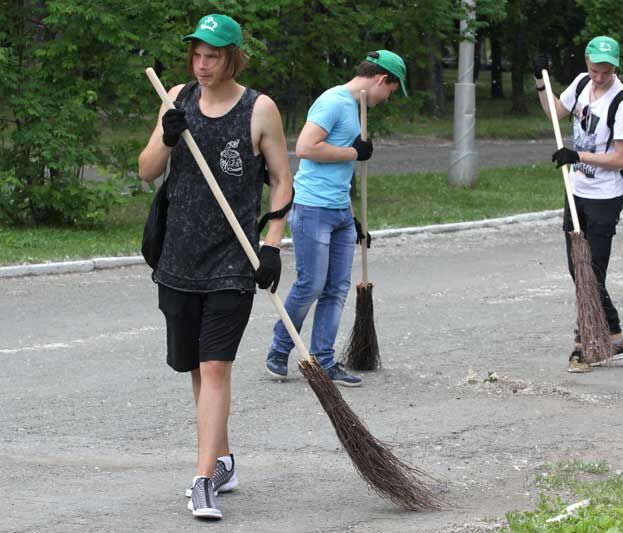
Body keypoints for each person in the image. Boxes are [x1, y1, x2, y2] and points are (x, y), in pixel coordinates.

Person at [138, 13, 293, 519]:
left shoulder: (258, 109)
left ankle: (203, 479)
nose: (203, 65)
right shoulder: (176, 97)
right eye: (198, 55)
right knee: (196, 371)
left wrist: (271, 244)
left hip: (233, 260)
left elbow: (281, 180)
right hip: (178, 257)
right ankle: (223, 458)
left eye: (214, 56)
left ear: (233, 57)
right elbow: (146, 171)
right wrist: (166, 134)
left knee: (215, 365)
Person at [265, 50, 407, 387]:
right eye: (391, 90)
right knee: (311, 285)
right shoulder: (333, 101)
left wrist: (354, 218)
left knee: (336, 289)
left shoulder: (358, 109)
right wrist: (354, 152)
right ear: (381, 79)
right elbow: (305, 147)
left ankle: (324, 360)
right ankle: (279, 349)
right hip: (313, 209)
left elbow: (342, 170)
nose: (388, 98)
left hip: (340, 211)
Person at [533, 36, 623, 373]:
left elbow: (622, 158)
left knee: (592, 270)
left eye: (606, 72)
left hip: (605, 198)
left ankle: (583, 342)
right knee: (577, 267)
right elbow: (554, 114)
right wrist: (539, 80)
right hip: (575, 189)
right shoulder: (580, 84)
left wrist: (578, 155)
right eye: (594, 71)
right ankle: (615, 336)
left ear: (615, 68)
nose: (599, 78)